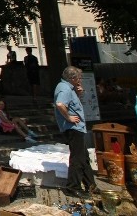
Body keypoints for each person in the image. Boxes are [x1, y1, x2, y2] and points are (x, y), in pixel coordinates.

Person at [54, 66, 98, 197]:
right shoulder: (64, 87)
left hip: (77, 127)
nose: (80, 80)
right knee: (77, 158)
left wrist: (78, 93)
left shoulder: (69, 88)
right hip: (73, 128)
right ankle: (73, 187)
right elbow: (60, 104)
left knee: (84, 158)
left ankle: (91, 185)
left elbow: (71, 103)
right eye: (79, 78)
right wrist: (68, 117)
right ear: (72, 78)